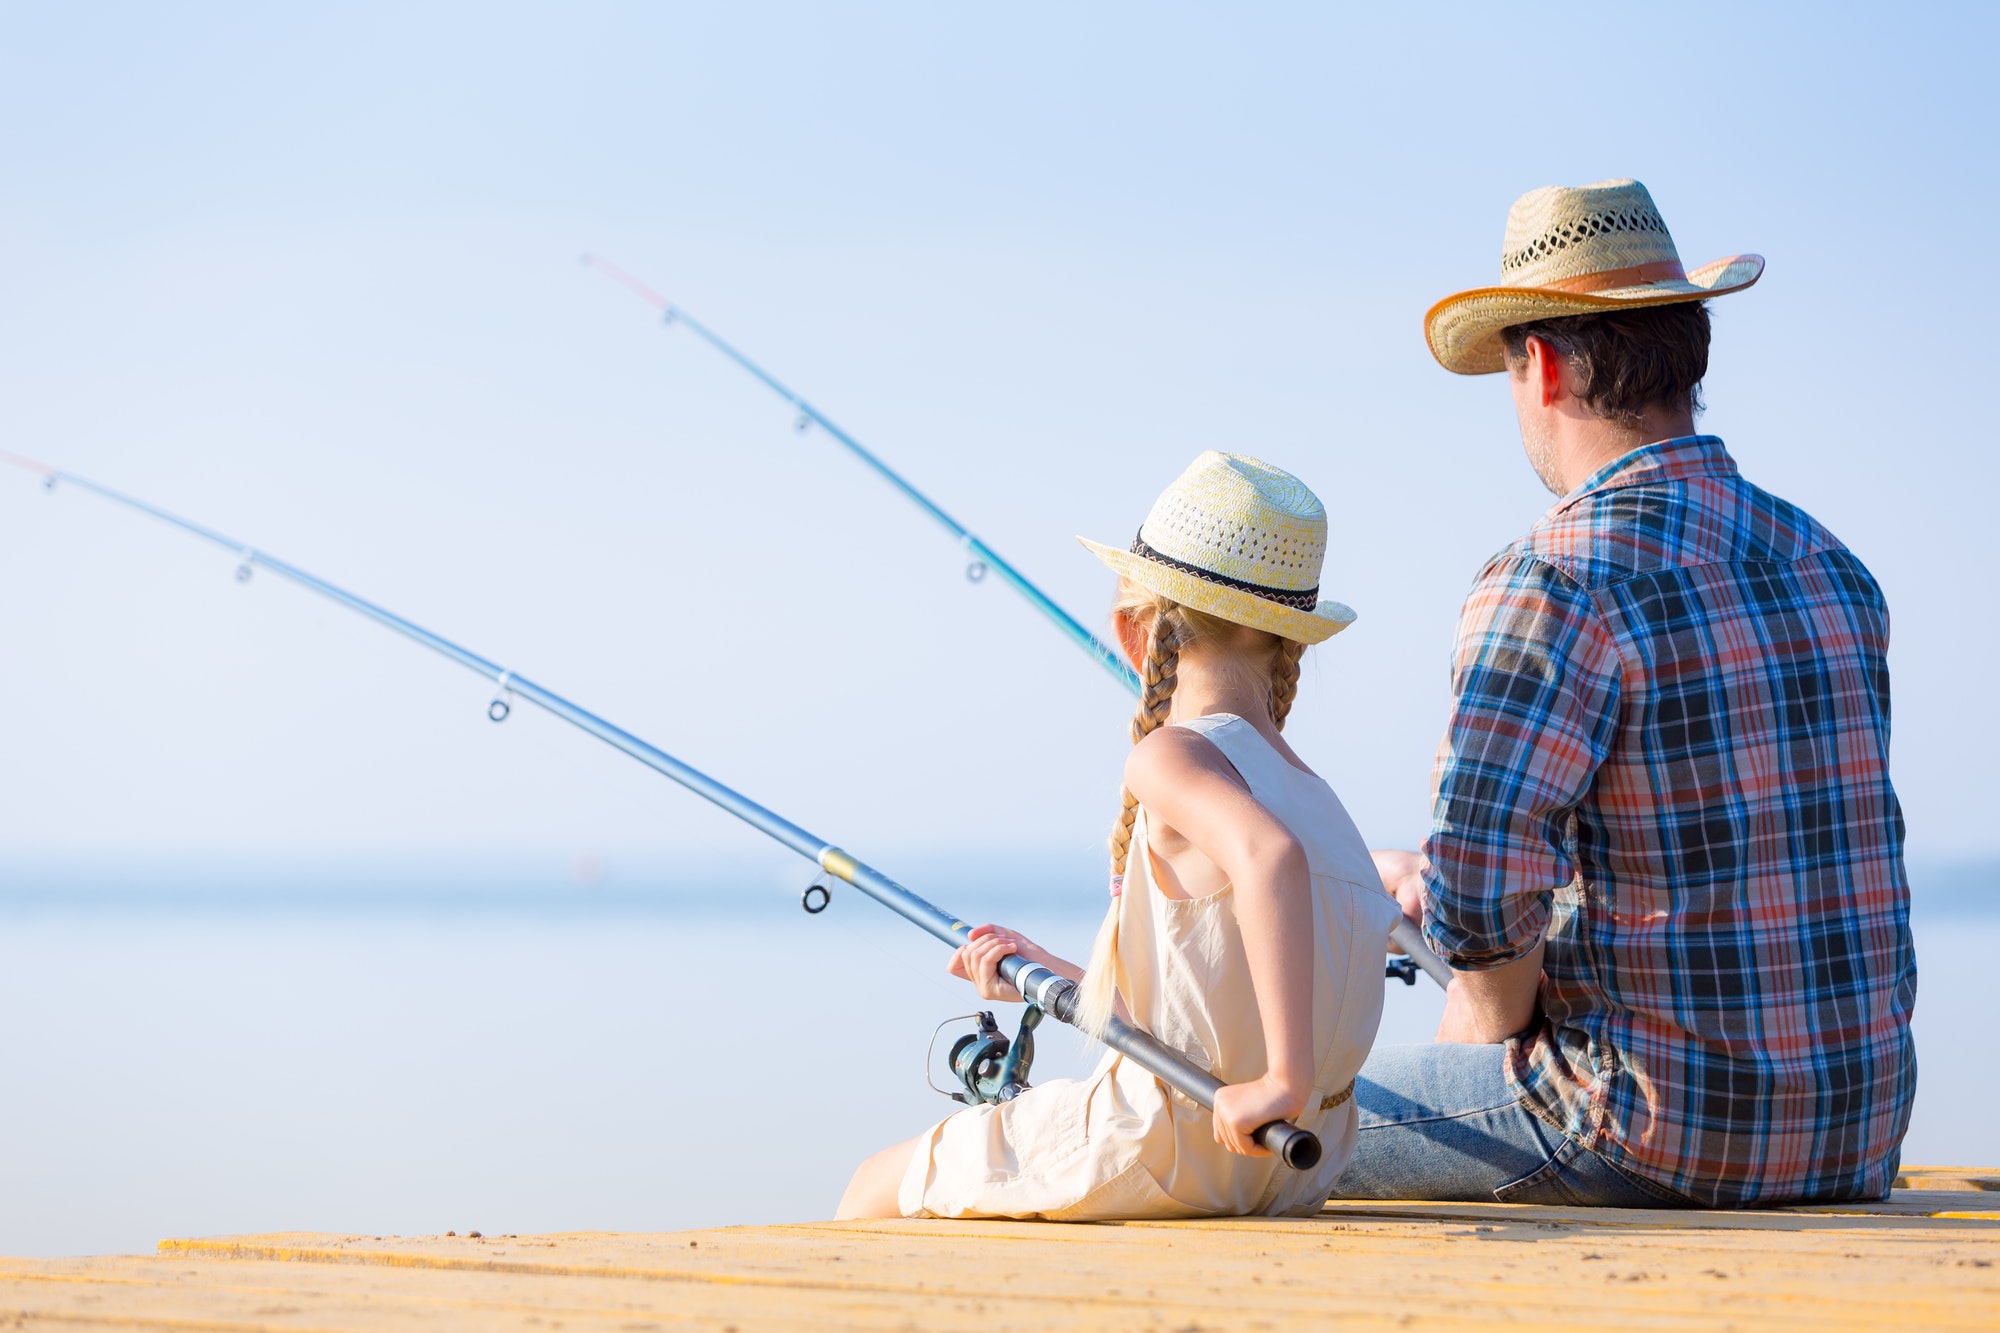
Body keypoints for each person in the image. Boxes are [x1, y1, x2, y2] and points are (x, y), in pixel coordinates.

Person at [1334, 179, 1917, 1209]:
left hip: (1642, 1133)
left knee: (1264, 1113)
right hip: (1851, 1136)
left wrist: (1489, 999)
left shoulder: (1550, 577)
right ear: (1687, 350)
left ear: (1543, 364)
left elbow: (1478, 910)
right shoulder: (1832, 564)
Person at [836, 451, 1402, 1220]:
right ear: (1289, 643)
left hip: (1170, 1142)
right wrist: (1051, 974)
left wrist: (1281, 1081)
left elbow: (1270, 861)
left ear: (1135, 635)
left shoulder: (1171, 754)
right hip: (1294, 1162)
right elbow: (1205, 1014)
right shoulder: (1319, 795)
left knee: (875, 1182)